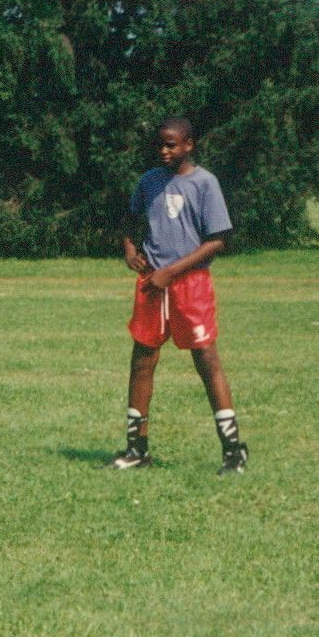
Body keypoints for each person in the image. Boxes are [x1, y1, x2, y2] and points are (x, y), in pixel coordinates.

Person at [108, 116, 248, 474]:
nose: (164, 150)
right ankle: (137, 449)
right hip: (153, 283)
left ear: (188, 145)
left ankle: (234, 451)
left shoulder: (205, 183)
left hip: (190, 284)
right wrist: (129, 249)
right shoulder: (149, 181)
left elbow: (217, 241)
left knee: (206, 360)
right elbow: (129, 221)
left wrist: (172, 272)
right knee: (142, 361)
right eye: (160, 144)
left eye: (171, 145)